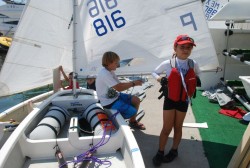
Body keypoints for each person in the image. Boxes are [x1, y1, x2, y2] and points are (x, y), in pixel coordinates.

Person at [151, 34, 201, 166]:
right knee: (166, 128)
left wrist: (195, 79)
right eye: (182, 47)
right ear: (175, 47)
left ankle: (174, 151)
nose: (185, 50)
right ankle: (160, 152)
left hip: (183, 101)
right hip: (170, 99)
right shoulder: (168, 63)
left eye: (189, 47)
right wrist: (160, 79)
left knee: (178, 127)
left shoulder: (193, 63)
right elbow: (154, 72)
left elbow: (198, 74)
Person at [95, 51, 146, 130]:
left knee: (136, 100)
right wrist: (133, 84)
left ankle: (132, 121)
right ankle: (114, 119)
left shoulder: (110, 71)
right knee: (132, 111)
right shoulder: (105, 74)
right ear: (109, 63)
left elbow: (119, 84)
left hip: (115, 96)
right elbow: (119, 88)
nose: (118, 65)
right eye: (116, 63)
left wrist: (133, 82)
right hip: (109, 102)